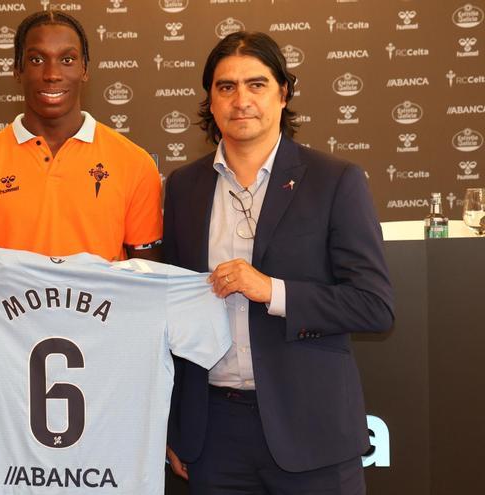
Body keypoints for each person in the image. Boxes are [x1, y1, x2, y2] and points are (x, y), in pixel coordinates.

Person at [164, 31, 394, 494]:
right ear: (209, 100)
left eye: (257, 84)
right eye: (226, 87)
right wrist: (172, 428)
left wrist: (273, 291)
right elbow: (168, 314)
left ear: (283, 93)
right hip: (213, 434)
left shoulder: (335, 181)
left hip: (312, 430)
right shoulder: (183, 187)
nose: (241, 99)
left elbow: (374, 305)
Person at [0, 10, 162, 262]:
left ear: (85, 69)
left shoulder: (134, 163)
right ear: (16, 70)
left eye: (67, 60)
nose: (52, 74)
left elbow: (147, 279)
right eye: (36, 60)